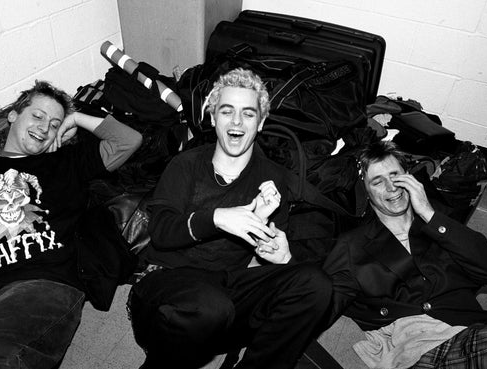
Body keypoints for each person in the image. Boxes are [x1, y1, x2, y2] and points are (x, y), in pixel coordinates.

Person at [128, 68, 333, 369]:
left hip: (227, 290)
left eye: (248, 114)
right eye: (227, 111)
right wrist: (216, 219)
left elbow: (259, 262)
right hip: (166, 284)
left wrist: (278, 254)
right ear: (213, 119)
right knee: (211, 307)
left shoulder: (273, 180)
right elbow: (161, 232)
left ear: (261, 123)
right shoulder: (185, 164)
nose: (236, 122)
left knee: (316, 284)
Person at [0, 80, 142, 368]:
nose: (45, 127)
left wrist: (77, 118)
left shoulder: (65, 163)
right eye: (37, 116)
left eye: (54, 123)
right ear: (13, 115)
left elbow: (128, 140)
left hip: (43, 283)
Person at [323, 140, 487, 369]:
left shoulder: (441, 223)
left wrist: (429, 215)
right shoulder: (352, 245)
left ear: (410, 177)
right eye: (378, 181)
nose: (391, 187)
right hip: (425, 353)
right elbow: (321, 300)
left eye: (395, 175)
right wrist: (286, 261)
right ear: (365, 192)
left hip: (476, 335)